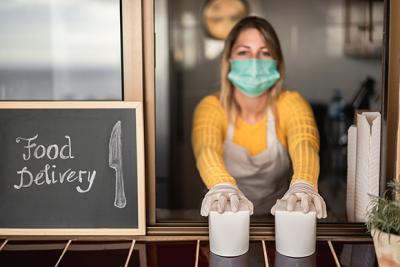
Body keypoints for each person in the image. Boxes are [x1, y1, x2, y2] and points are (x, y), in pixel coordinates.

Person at [192, 16, 327, 218]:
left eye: (264, 53)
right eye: (244, 52)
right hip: (223, 217)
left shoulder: (290, 103)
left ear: (277, 62)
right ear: (229, 60)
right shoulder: (212, 107)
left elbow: (304, 142)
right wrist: (222, 186)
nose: (254, 62)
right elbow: (206, 149)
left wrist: (304, 183)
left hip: (278, 219)